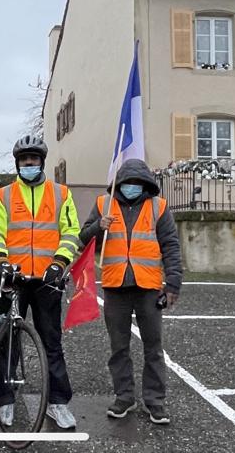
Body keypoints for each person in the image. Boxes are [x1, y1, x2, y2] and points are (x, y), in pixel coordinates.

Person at [0, 135, 82, 429]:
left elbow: (71, 232)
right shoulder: (3, 195)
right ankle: (5, 400)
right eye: (25, 160)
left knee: (51, 343)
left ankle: (57, 403)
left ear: (42, 162)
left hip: (46, 280)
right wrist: (0, 262)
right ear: (18, 164)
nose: (29, 163)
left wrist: (59, 262)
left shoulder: (61, 194)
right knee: (7, 342)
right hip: (13, 278)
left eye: (34, 159)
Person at [79, 158, 183, 425]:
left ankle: (155, 401)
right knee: (119, 348)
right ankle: (124, 397)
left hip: (149, 287)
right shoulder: (104, 204)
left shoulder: (159, 207)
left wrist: (173, 283)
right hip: (115, 286)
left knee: (153, 347)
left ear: (146, 184)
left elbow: (171, 246)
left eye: (137, 182)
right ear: (120, 183)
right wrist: (97, 227)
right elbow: (83, 239)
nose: (132, 186)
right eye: (128, 182)